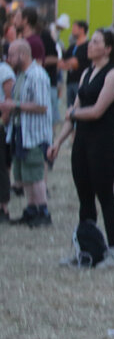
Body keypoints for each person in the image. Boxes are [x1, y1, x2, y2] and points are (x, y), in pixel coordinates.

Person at [48, 29, 114, 265]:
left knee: (105, 194)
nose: (90, 46)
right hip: (81, 140)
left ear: (108, 48)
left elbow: (96, 111)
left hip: (102, 141)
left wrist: (74, 113)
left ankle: (113, 253)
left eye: (95, 42)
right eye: (90, 42)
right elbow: (72, 115)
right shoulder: (86, 74)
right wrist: (58, 141)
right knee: (85, 196)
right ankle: (87, 248)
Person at [0, 40, 54, 226]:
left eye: (12, 55)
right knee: (24, 175)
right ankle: (31, 209)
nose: (9, 58)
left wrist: (13, 105)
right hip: (21, 132)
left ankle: (42, 211)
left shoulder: (36, 75)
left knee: (35, 174)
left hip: (35, 134)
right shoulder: (22, 75)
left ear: (23, 54)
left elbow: (42, 106)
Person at [61, 20, 90, 109]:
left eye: (74, 28)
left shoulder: (87, 45)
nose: (72, 30)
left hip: (81, 82)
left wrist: (69, 63)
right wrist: (70, 63)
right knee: (70, 109)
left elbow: (75, 63)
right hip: (70, 82)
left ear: (81, 30)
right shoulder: (72, 47)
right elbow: (61, 64)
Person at [0, 51, 14, 221]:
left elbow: (9, 101)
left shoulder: (4, 70)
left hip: (1, 124)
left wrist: (3, 122)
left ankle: (3, 207)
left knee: (0, 167)